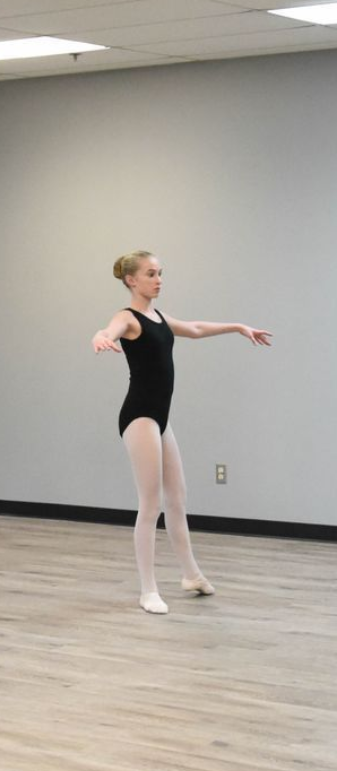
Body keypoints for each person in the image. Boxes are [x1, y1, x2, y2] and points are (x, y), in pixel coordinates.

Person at [91, 252, 272, 614]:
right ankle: (148, 590)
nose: (158, 280)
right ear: (131, 280)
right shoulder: (127, 318)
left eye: (160, 274)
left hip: (161, 417)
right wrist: (100, 336)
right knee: (151, 504)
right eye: (151, 274)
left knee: (178, 498)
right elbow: (108, 330)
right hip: (139, 416)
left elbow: (195, 328)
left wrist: (238, 327)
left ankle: (190, 574)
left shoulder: (157, 317)